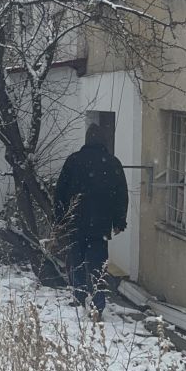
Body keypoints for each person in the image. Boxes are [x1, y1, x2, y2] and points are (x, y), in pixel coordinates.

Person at [54, 124, 128, 314]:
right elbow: (121, 195)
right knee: (98, 265)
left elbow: (60, 191)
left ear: (86, 140)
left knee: (76, 262)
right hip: (100, 225)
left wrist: (60, 218)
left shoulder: (73, 161)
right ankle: (98, 303)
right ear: (103, 141)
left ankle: (79, 298)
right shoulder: (112, 163)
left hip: (75, 222)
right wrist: (119, 222)